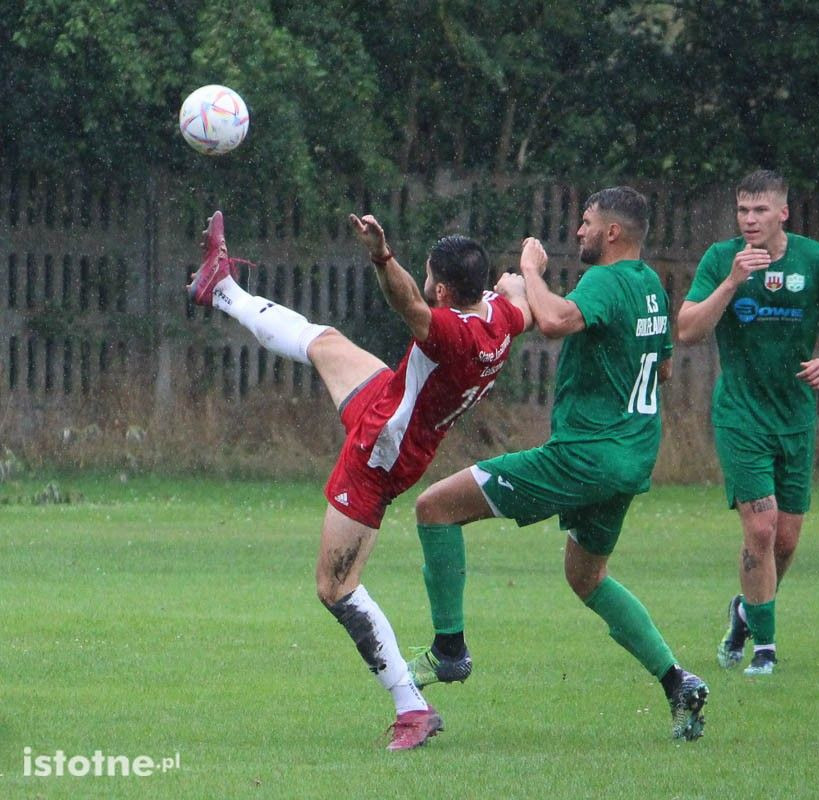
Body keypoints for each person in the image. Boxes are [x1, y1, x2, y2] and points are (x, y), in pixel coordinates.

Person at [185, 210, 530, 750]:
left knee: (335, 587)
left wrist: (381, 256)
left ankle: (410, 706)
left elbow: (407, 303)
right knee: (323, 342)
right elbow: (518, 296)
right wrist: (527, 268)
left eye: (429, 275)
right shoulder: (503, 318)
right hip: (394, 403)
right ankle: (221, 287)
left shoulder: (451, 334)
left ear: (442, 288)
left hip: (381, 451)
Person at [404, 186, 710, 741]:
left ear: (612, 232)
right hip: (633, 456)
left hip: (583, 457)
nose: (579, 231)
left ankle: (449, 649)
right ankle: (677, 682)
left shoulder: (607, 280)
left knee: (434, 508)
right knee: (586, 576)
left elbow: (554, 321)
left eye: (587, 222)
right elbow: (661, 372)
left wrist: (528, 275)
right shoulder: (649, 289)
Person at [676, 169, 819, 677]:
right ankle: (764, 648)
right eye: (742, 210)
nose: (749, 219)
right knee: (760, 529)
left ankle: (745, 613)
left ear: (783, 212)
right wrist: (732, 282)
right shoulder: (722, 259)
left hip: (796, 417)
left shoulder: (817, 261)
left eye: (760, 210)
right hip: (741, 415)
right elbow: (688, 329)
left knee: (784, 541)